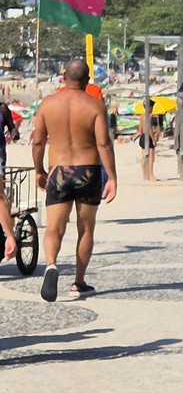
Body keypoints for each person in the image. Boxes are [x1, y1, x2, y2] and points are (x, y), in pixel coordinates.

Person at [31, 60, 118, 301]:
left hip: (59, 170)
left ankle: (51, 265)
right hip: (88, 170)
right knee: (86, 228)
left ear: (64, 77)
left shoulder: (48, 104)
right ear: (88, 79)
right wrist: (112, 176)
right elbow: (103, 143)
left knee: (53, 228)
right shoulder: (95, 105)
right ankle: (79, 282)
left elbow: (38, 141)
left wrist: (39, 170)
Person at [136, 100, 161, 181]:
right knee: (151, 157)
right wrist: (153, 139)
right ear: (150, 107)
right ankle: (151, 175)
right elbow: (149, 128)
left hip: (142, 136)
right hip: (148, 137)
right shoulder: (149, 116)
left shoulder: (142, 116)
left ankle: (144, 175)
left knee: (144, 156)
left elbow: (140, 129)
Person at [0, 97, 21, 176]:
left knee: (1, 181)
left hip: (0, 153)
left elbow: (11, 126)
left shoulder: (3, 109)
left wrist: (14, 133)